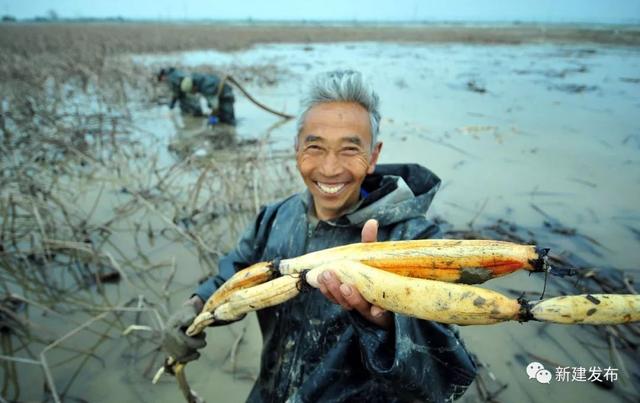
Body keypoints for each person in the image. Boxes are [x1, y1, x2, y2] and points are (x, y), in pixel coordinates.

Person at [162, 70, 477, 402]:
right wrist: (196, 307)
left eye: (349, 150)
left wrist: (388, 324)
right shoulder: (275, 218)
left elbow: (448, 378)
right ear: (297, 147)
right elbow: (236, 275)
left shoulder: (413, 242)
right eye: (315, 146)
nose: (329, 169)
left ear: (373, 156)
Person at [157, 67, 236, 125]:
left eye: (193, 91)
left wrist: (211, 121)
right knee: (220, 117)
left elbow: (215, 107)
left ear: (194, 87)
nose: (194, 93)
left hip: (226, 96)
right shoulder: (196, 78)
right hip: (219, 93)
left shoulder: (205, 86)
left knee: (228, 120)